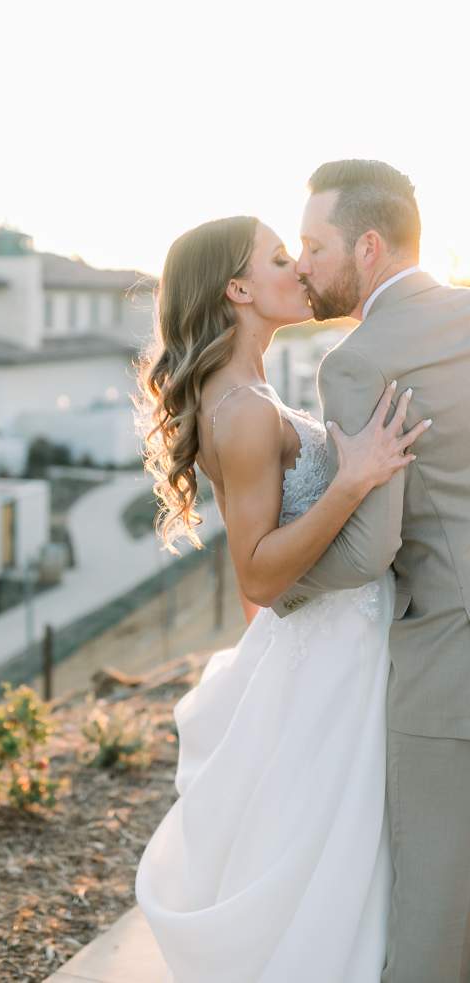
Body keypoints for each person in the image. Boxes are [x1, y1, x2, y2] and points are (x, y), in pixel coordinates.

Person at [133, 212, 429, 982]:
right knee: (337, 861)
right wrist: (353, 480)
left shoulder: (250, 390)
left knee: (339, 853)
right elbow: (257, 574)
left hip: (323, 647)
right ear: (237, 290)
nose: (297, 267)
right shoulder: (241, 410)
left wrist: (268, 670)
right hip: (334, 649)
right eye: (276, 258)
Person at [275, 159, 470, 983]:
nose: (301, 265)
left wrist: (276, 583)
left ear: (366, 246)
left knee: (433, 919)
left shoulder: (357, 362)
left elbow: (369, 548)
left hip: (449, 659)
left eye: (312, 246)